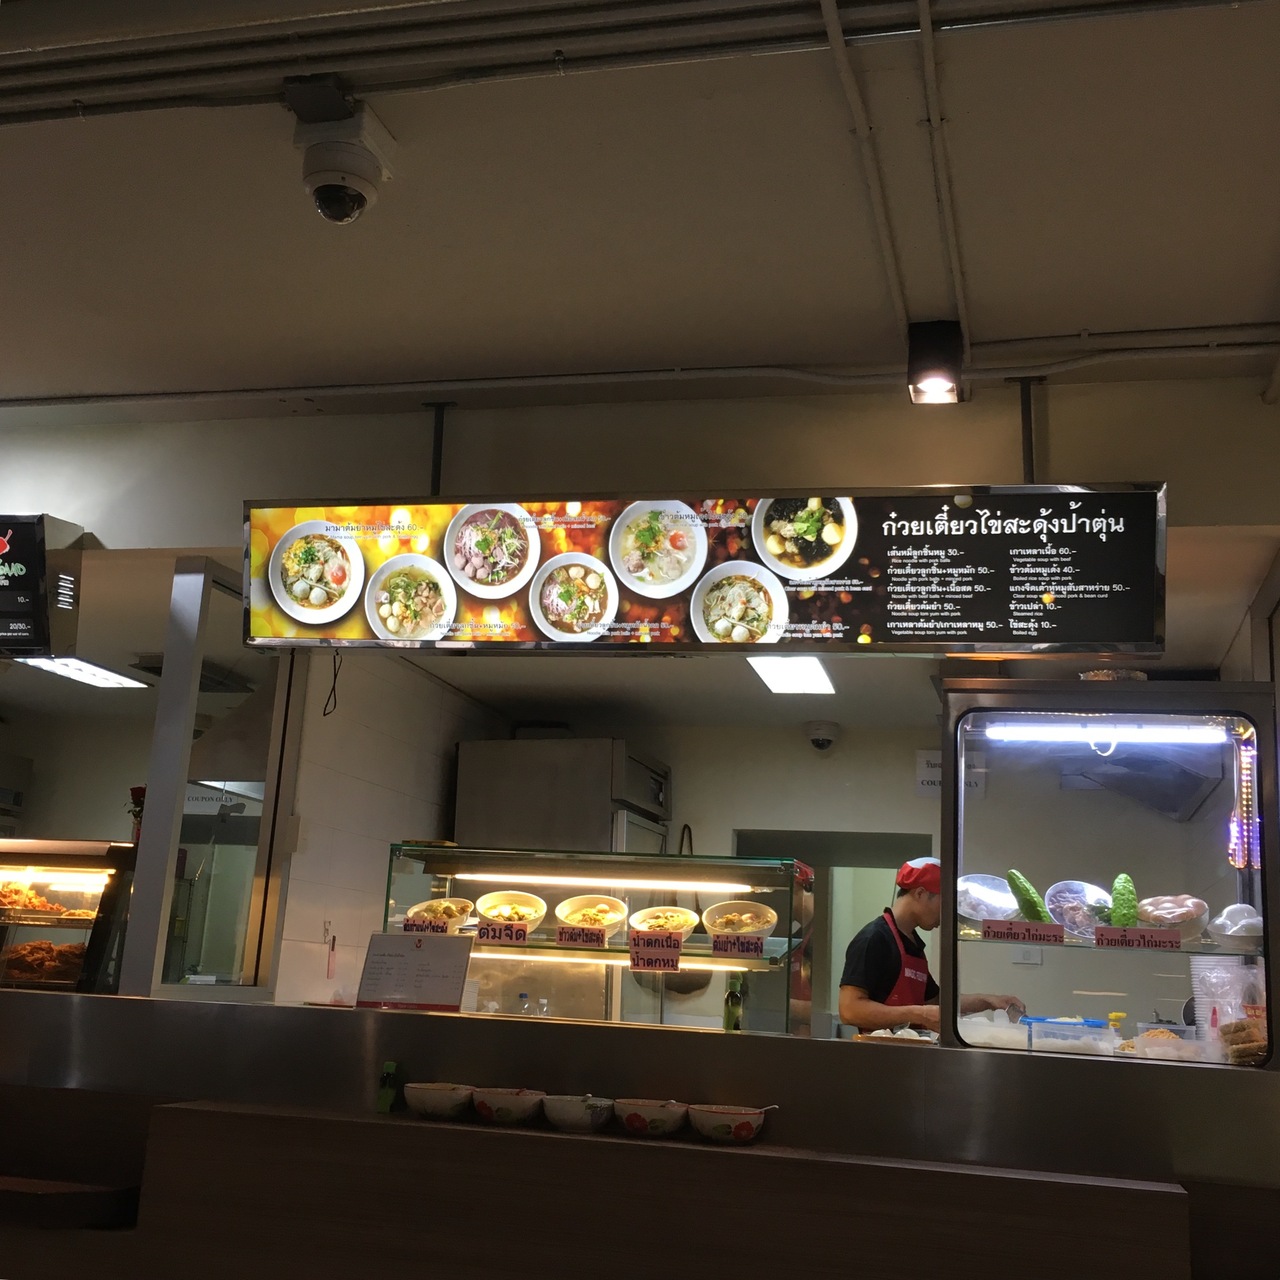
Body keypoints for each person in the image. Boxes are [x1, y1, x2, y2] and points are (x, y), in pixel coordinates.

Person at [838, 856, 1024, 1034]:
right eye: (944, 904)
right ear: (921, 893)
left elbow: (934, 1002)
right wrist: (920, 1014)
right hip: (879, 1052)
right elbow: (850, 1010)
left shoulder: (913, 943)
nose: (946, 915)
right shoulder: (874, 938)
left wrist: (989, 1001)